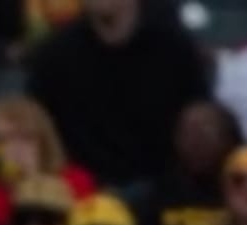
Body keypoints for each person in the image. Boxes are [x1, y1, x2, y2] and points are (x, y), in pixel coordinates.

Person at [28, 0, 208, 191]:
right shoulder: (53, 56)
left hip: (162, 191)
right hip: (78, 192)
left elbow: (198, 125)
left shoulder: (176, 50)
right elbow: (38, 130)